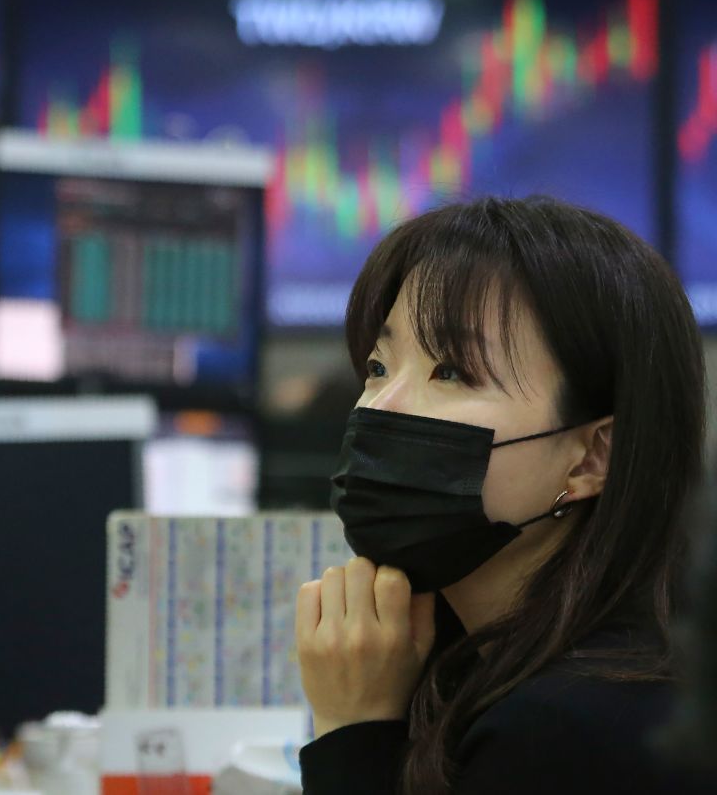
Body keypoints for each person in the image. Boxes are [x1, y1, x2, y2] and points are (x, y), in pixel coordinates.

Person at [295, 197, 714, 794]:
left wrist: (352, 730)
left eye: (452, 372)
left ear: (593, 457)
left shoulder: (561, 735)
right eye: (379, 366)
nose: (378, 408)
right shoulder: (506, 663)